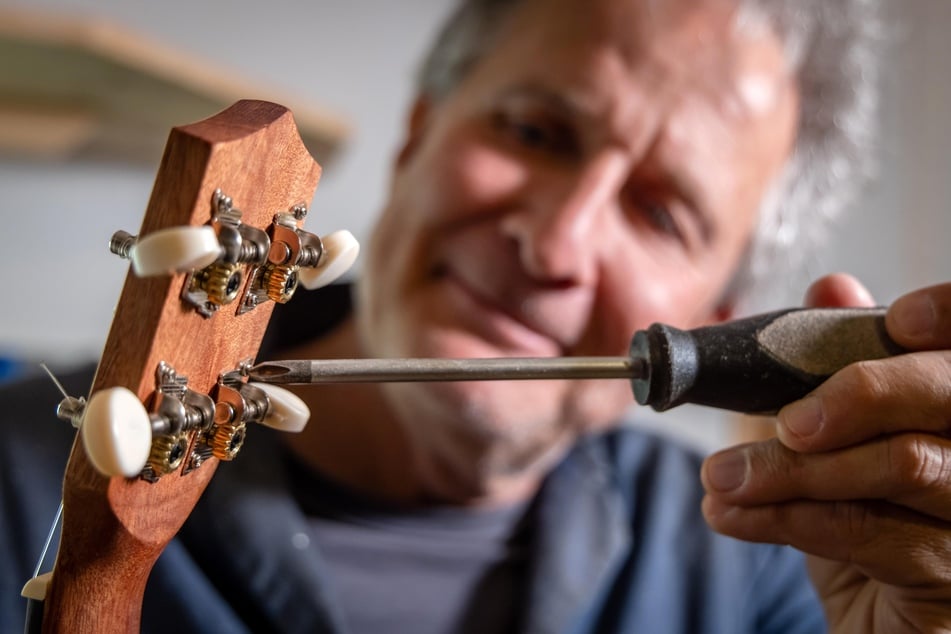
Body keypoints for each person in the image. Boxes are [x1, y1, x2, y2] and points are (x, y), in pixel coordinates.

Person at [2, 0, 950, 631]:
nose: (556, 243)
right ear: (419, 134)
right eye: (534, 131)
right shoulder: (19, 484)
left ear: (719, 314)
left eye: (660, 213)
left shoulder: (761, 584)